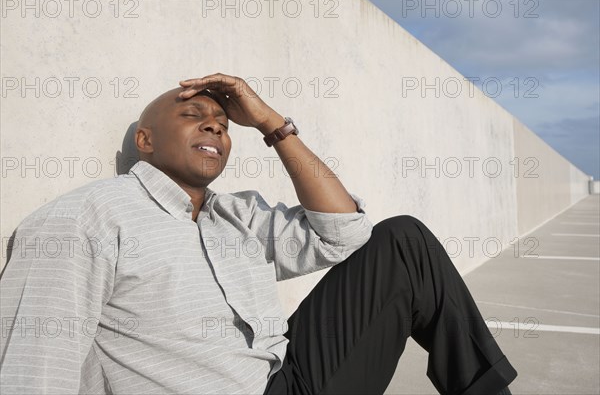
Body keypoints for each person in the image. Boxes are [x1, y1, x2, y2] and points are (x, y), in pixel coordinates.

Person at [0, 73, 517, 394]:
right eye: (193, 115)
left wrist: (272, 124)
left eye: (224, 124)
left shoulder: (238, 215)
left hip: (287, 378)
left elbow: (345, 233)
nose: (215, 128)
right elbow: (33, 368)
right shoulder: (86, 219)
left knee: (403, 243)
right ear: (145, 140)